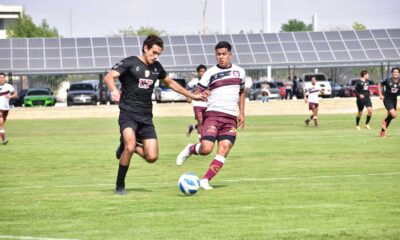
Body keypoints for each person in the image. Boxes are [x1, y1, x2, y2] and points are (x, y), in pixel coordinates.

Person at [104, 35, 207, 195]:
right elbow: (109, 76)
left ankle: (124, 146)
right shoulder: (131, 62)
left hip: (146, 117)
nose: (156, 56)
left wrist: (193, 96)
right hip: (128, 113)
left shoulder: (156, 67)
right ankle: (120, 186)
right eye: (154, 52)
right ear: (145, 48)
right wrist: (114, 90)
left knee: (152, 157)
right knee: (131, 146)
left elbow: (171, 83)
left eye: (159, 54)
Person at [176, 41, 246, 190]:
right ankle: (191, 149)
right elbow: (196, 93)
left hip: (230, 118)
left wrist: (242, 113)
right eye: (218, 54)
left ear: (230, 55)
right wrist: (202, 94)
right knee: (207, 149)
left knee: (225, 147)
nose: (221, 57)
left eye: (224, 54)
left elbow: (241, 92)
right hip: (213, 115)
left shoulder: (240, 72)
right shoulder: (210, 73)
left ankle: (205, 180)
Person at [186, 64, 207, 139]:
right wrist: (188, 96)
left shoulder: (208, 81)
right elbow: (186, 88)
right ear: (198, 72)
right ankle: (201, 140)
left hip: (207, 105)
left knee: (205, 123)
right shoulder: (194, 81)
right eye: (201, 71)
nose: (202, 73)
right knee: (201, 122)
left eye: (204, 72)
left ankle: (192, 127)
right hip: (197, 104)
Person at [378, 67, 400, 137]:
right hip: (387, 99)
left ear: (399, 73)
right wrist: (380, 94)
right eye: (394, 72)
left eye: (397, 72)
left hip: (394, 100)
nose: (395, 73)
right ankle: (384, 121)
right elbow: (379, 85)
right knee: (394, 115)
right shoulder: (387, 80)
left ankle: (382, 132)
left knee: (390, 117)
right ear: (392, 73)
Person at [0, 72, 18, 145]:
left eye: (2, 77)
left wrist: (10, 96)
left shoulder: (8, 86)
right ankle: (4, 140)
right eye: (0, 77)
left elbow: (15, 94)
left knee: (1, 125)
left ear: (4, 78)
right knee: (0, 124)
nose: (1, 79)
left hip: (6, 109)